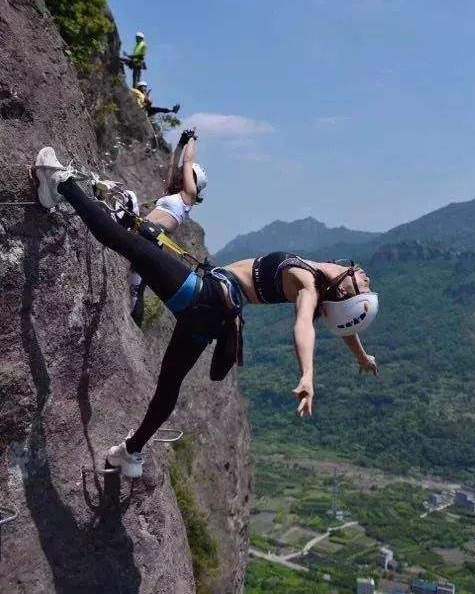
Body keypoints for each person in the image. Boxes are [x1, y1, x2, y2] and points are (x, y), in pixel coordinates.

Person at [35, 147, 379, 478]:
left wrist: (307, 375)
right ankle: (130, 452)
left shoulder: (306, 283)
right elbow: (344, 323)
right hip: (214, 320)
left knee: (124, 241)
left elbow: (305, 326)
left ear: (344, 289)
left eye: (363, 283)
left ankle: (59, 181)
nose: (365, 276)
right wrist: (361, 356)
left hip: (206, 295)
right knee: (169, 385)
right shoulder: (319, 280)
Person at [125, 128, 207, 325]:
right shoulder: (173, 193)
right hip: (144, 232)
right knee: (133, 285)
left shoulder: (188, 197)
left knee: (135, 290)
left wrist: (193, 140)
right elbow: (174, 163)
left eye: (188, 174)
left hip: (151, 237)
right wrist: (181, 141)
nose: (183, 173)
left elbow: (186, 162)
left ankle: (135, 323)